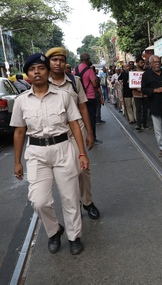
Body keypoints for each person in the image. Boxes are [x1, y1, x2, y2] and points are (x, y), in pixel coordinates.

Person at [10, 53, 89, 255]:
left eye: (41, 68)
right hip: (36, 153)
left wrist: (82, 153)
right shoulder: (21, 101)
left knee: (70, 198)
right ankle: (54, 231)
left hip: (63, 148)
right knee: (39, 201)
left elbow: (74, 124)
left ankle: (74, 236)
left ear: (47, 71)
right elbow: (19, 131)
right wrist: (17, 161)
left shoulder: (63, 96)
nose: (37, 72)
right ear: (27, 74)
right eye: (32, 69)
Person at [46, 47, 101, 220]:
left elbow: (83, 107)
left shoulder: (74, 81)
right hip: (57, 132)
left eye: (61, 60)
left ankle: (88, 202)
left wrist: (90, 133)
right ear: (48, 63)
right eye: (54, 60)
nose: (58, 63)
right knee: (67, 171)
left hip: (76, 129)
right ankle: (73, 204)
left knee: (83, 168)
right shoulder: (43, 82)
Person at [74, 53, 103, 144]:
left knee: (81, 119)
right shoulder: (89, 70)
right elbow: (94, 84)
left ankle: (83, 137)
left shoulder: (75, 69)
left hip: (79, 98)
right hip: (90, 97)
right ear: (87, 60)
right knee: (91, 119)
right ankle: (92, 138)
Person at [133, 57, 150, 130]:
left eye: (143, 62)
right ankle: (138, 124)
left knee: (145, 109)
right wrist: (137, 88)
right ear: (137, 63)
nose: (142, 64)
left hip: (145, 93)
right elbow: (131, 83)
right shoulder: (133, 72)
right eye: (140, 62)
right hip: (136, 93)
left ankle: (145, 124)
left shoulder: (146, 72)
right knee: (138, 109)